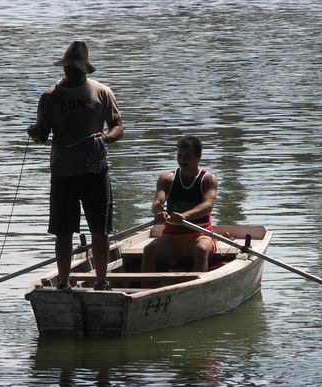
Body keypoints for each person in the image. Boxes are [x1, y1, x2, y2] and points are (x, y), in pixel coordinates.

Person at [27, 41, 123, 291]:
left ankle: (102, 281)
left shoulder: (102, 92)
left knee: (100, 230)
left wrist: (107, 137)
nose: (72, 72)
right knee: (63, 232)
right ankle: (64, 283)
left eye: (76, 69)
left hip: (95, 171)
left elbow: (118, 127)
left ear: (85, 70)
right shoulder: (50, 97)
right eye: (68, 68)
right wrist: (35, 133)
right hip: (63, 172)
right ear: (64, 67)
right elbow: (43, 136)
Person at [141, 136, 219, 273]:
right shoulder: (167, 179)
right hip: (172, 237)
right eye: (179, 156)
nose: (182, 160)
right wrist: (159, 211)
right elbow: (157, 202)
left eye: (187, 156)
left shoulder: (208, 179)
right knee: (149, 250)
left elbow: (208, 205)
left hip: (200, 235)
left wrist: (185, 216)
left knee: (201, 250)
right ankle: (147, 289)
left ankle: (197, 289)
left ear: (199, 156)